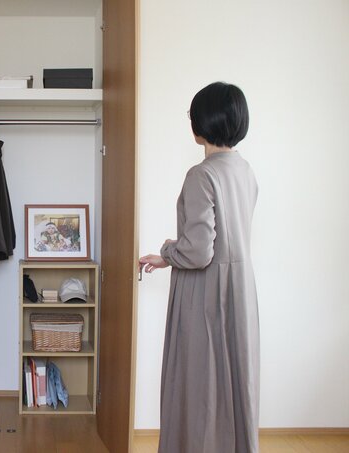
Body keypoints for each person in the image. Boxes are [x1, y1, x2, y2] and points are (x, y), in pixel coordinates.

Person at [139, 82, 259, 453]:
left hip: (205, 293)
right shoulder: (244, 171)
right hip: (239, 288)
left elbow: (198, 252)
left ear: (202, 123)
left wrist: (167, 249)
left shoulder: (201, 175)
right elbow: (219, 241)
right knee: (233, 380)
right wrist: (168, 257)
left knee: (199, 383)